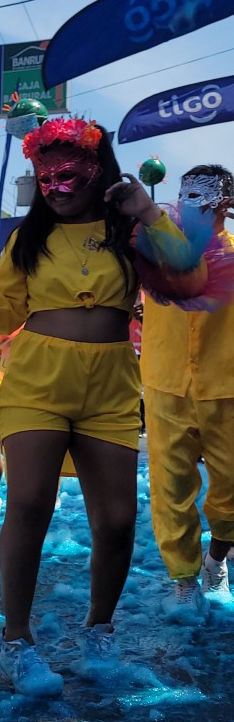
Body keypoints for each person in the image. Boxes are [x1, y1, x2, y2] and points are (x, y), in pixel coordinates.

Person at [0, 117, 187, 696]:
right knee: (26, 503)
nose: (56, 181)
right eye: (45, 172)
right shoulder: (30, 238)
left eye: (70, 168)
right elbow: (3, 315)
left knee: (119, 522)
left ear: (100, 170)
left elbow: (182, 270)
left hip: (111, 385)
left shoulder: (129, 232)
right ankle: (16, 640)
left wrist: (147, 211)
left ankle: (99, 630)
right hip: (38, 381)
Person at [143, 165, 234, 619]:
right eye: (185, 193)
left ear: (224, 204)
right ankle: (183, 579)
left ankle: (217, 556)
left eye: (202, 195)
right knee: (171, 490)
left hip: (227, 389)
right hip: (165, 386)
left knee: (233, 492)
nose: (189, 202)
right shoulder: (156, 254)